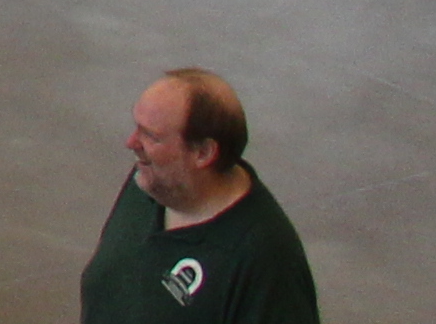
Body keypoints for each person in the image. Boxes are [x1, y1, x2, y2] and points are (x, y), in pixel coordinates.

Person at [85, 68, 319, 322]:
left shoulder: (264, 260)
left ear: (203, 153)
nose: (131, 143)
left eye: (151, 136)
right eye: (137, 128)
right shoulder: (150, 182)